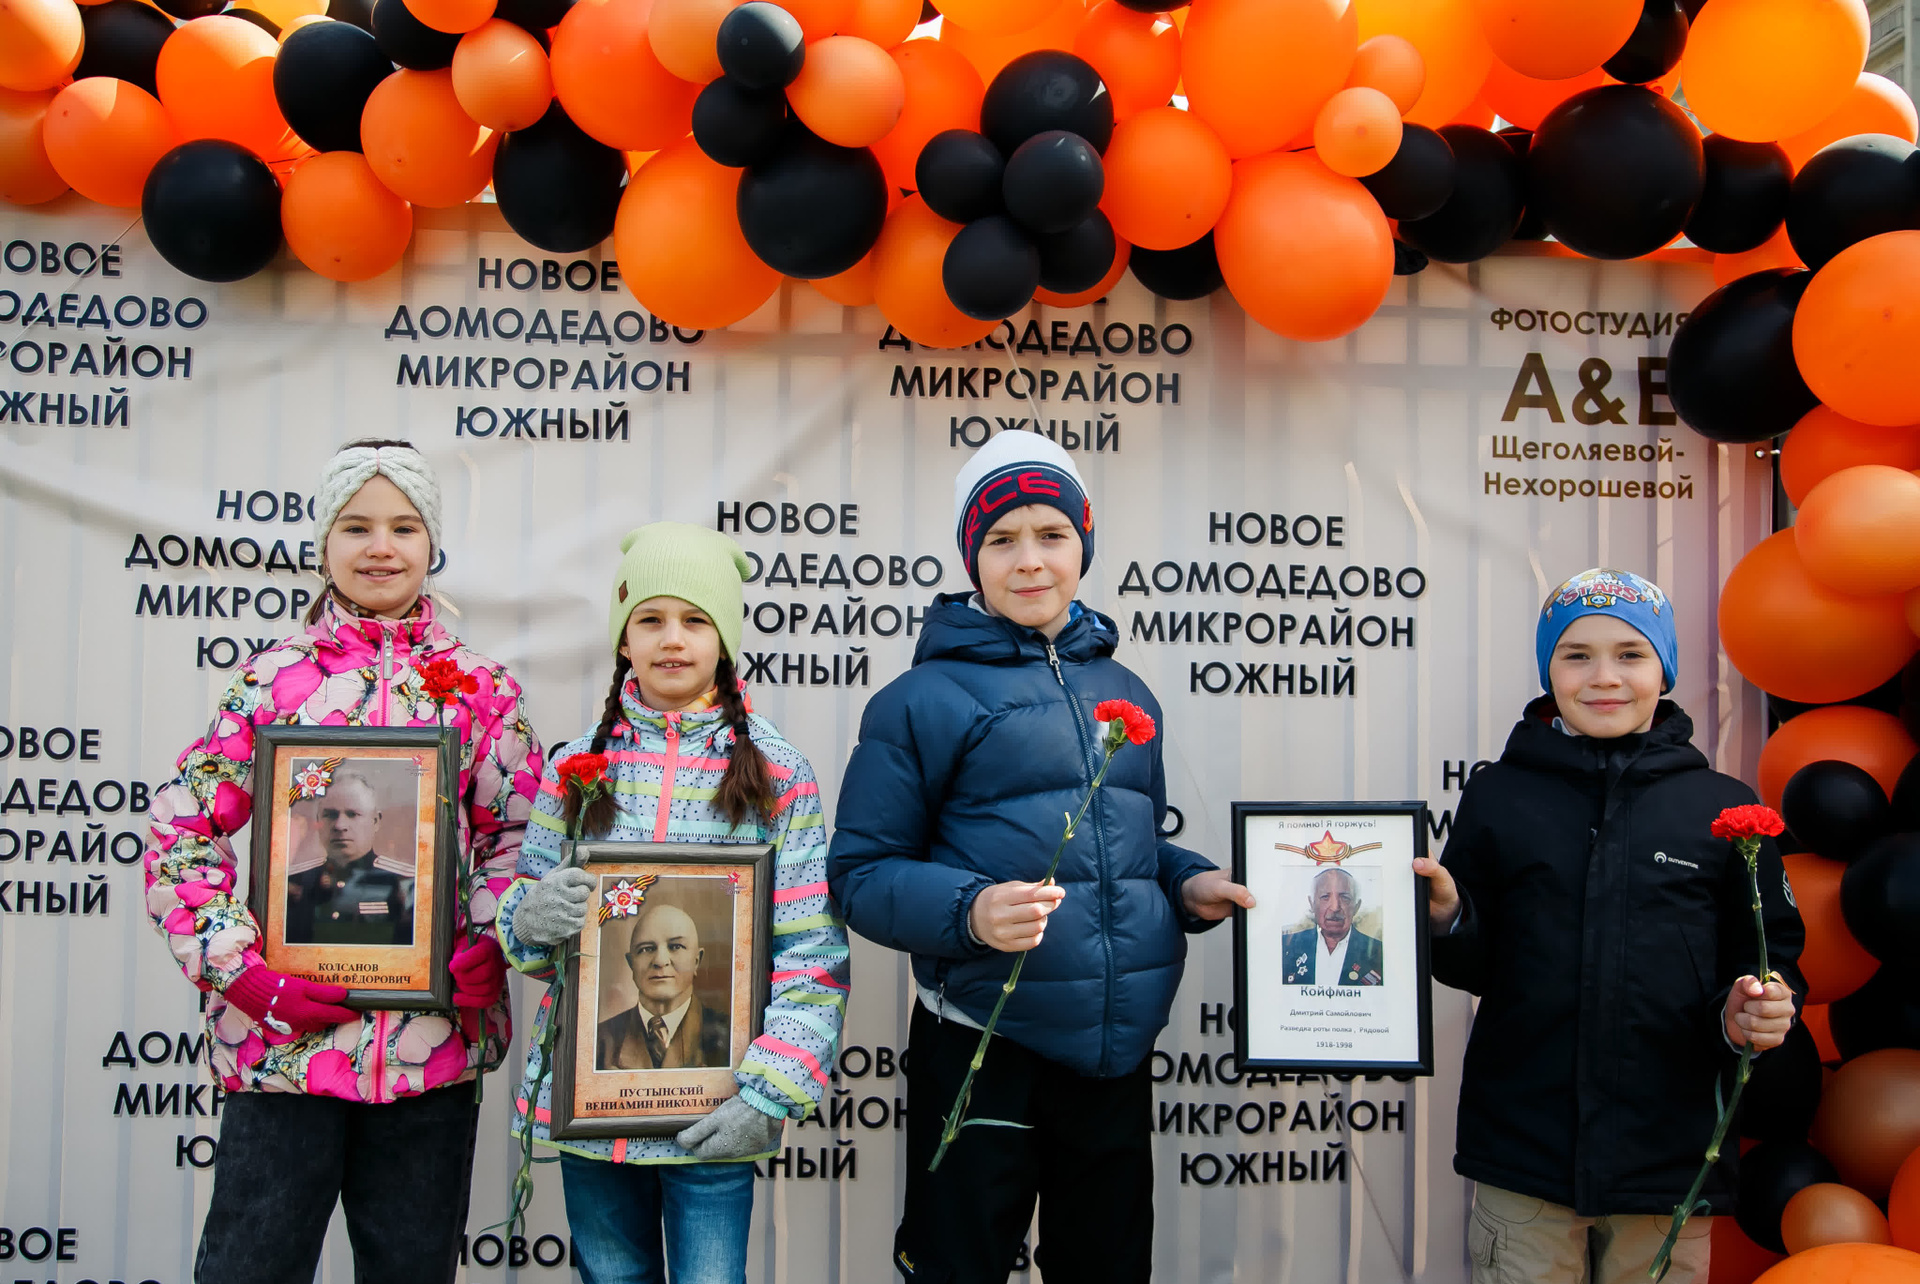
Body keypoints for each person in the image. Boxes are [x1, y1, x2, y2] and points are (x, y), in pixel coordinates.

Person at [827, 432, 1255, 1284]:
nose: (1030, 561)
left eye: (1052, 535)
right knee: (960, 1265)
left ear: (1084, 544)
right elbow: (861, 875)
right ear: (970, 558)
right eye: (1001, 539)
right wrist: (970, 912)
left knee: (1107, 1265)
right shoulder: (920, 700)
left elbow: (1127, 847)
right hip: (984, 1046)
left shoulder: (1128, 693)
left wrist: (1188, 881)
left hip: (1114, 1057)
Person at [144, 440, 544, 1284]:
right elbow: (184, 832)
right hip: (284, 1048)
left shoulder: (481, 690)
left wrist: (488, 939)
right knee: (249, 1269)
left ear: (433, 544)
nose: (381, 548)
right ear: (324, 544)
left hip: (428, 1049)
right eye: (356, 527)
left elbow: (518, 838)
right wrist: (241, 972)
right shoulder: (270, 684)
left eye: (404, 527)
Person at [1413, 567, 1804, 1284]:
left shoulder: (1722, 806)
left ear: (1665, 671)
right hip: (1525, 1158)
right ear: (1547, 670)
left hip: (1669, 1166)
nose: (1604, 677)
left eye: (1630, 654)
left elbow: (1768, 958)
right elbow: (1474, 964)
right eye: (1576, 655)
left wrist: (1753, 1013)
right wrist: (1450, 918)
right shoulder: (1498, 794)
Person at [497, 522, 850, 1284]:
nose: (672, 639)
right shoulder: (574, 768)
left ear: (724, 639)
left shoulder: (777, 774)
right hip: (592, 1119)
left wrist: (770, 1091)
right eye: (650, 619)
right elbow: (525, 928)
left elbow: (811, 952)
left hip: (713, 1115)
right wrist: (529, 919)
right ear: (623, 638)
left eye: (696, 619)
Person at [285, 769, 415, 946]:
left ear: (375, 821)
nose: (340, 825)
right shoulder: (293, 882)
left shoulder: (407, 882)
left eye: (352, 814)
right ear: (318, 821)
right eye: (330, 815)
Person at [596, 900, 731, 1071]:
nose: (660, 961)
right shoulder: (599, 1042)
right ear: (631, 963)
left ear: (697, 960)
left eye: (676, 946)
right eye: (646, 949)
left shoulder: (728, 1036)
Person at [1281, 867, 1383, 986]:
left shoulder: (1378, 952)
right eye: (1325, 897)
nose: (1335, 907)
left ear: (1356, 906)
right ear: (1312, 903)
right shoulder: (1287, 947)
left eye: (1345, 898)